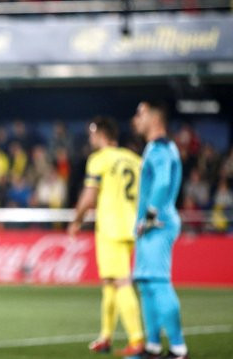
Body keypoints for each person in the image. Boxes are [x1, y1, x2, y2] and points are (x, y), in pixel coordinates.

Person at [67, 117, 144, 356]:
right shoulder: (135, 159)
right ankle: (106, 336)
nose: (90, 138)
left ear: (101, 134)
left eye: (92, 133)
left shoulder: (99, 159)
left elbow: (89, 197)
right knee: (109, 282)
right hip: (132, 226)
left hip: (111, 226)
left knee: (120, 281)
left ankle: (137, 340)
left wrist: (76, 220)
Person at [132, 101, 188, 359]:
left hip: (158, 224)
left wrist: (152, 214)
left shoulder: (162, 147)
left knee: (158, 282)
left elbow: (164, 181)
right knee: (145, 284)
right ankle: (153, 346)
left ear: (154, 120)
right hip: (147, 227)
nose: (136, 120)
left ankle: (178, 349)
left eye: (140, 115)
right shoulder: (154, 147)